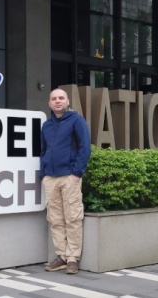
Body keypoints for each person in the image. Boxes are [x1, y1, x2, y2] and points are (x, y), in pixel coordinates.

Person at [40, 88, 91, 274]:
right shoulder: (46, 126)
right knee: (55, 219)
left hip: (69, 177)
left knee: (73, 218)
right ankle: (61, 256)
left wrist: (77, 173)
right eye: (54, 99)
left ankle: (72, 259)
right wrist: (43, 173)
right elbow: (43, 150)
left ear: (68, 101)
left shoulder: (76, 120)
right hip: (51, 178)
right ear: (49, 103)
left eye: (61, 98)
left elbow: (85, 148)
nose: (57, 101)